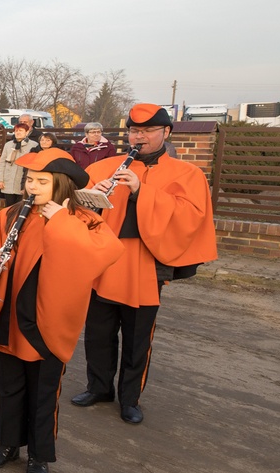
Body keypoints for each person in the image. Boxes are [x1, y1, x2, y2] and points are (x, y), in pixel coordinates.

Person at [0, 150, 122, 473]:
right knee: (9, 386)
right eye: (30, 180)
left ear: (61, 185)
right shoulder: (13, 213)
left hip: (47, 320)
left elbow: (106, 253)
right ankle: (7, 443)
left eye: (42, 181)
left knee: (43, 393)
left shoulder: (83, 218)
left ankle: (40, 455)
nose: (32, 187)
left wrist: (61, 220)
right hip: (10, 315)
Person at [71, 104, 217, 424]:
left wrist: (141, 191)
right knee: (98, 332)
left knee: (137, 338)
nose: (140, 137)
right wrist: (90, 196)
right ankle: (98, 387)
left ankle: (130, 398)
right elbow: (76, 211)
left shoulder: (187, 174)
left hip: (145, 265)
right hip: (105, 261)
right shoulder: (104, 166)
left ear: (166, 132)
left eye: (148, 131)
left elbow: (191, 217)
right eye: (135, 131)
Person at [0, 123, 37, 207]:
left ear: (27, 132)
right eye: (16, 131)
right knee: (9, 206)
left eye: (21, 130)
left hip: (22, 179)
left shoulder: (33, 145)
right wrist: (0, 179)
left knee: (21, 205)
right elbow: (2, 162)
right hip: (8, 179)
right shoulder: (8, 145)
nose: (18, 132)